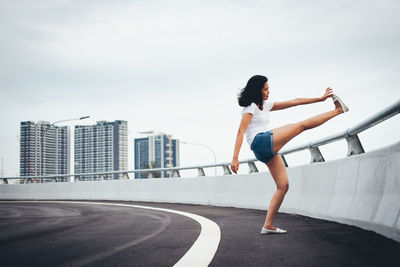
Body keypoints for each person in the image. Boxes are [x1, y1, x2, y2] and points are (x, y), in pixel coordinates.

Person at [230, 75, 348, 235]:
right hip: (261, 142)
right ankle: (338, 110)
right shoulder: (250, 107)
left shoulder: (265, 105)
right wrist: (235, 158)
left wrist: (320, 99)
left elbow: (295, 102)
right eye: (265, 89)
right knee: (301, 125)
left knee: (283, 186)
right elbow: (241, 131)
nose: (268, 91)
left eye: (268, 88)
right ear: (257, 90)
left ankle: (268, 225)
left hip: (263, 150)